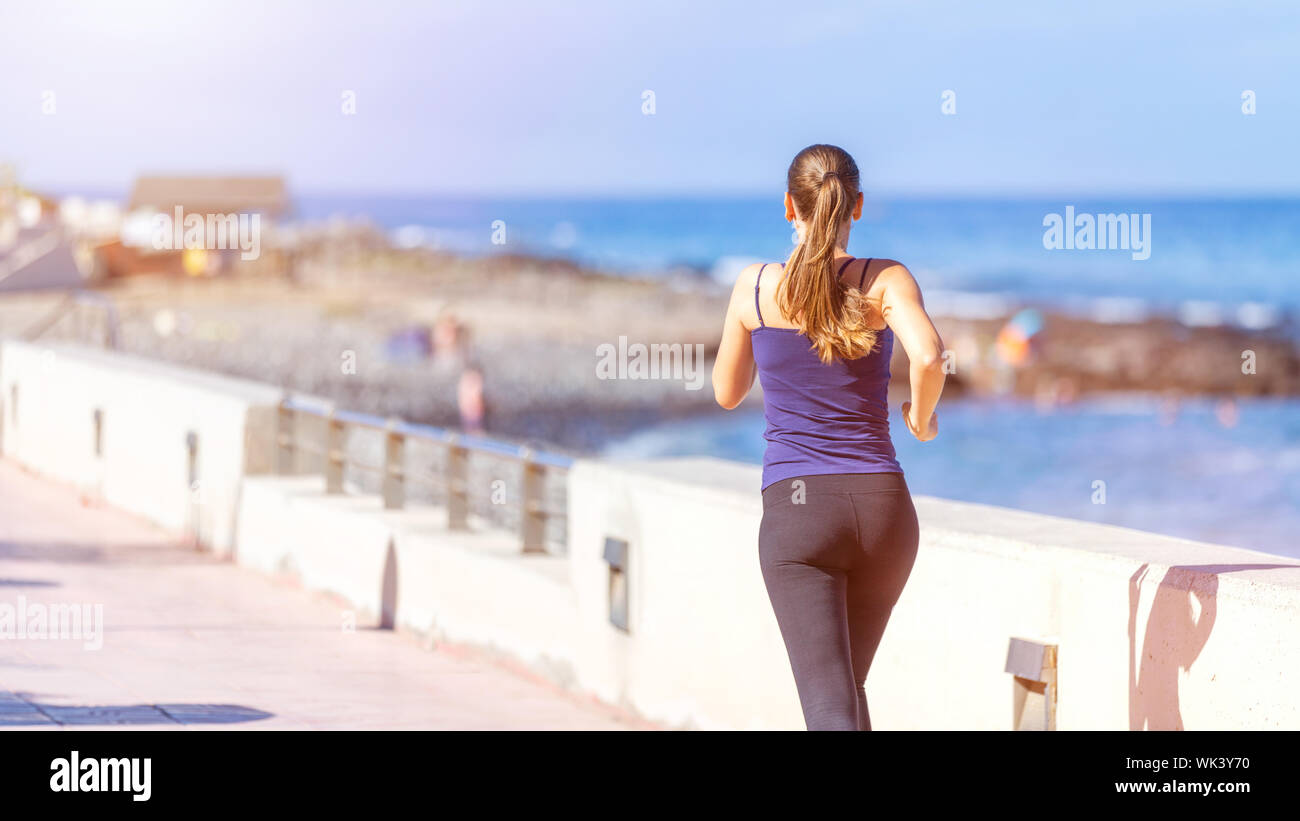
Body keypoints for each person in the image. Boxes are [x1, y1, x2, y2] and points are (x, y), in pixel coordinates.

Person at [711, 144, 947, 730]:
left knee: (828, 705)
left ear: (790, 205)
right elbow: (930, 355)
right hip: (884, 511)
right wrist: (920, 417)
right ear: (857, 206)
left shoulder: (755, 287)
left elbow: (727, 392)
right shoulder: (884, 278)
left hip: (800, 515)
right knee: (846, 693)